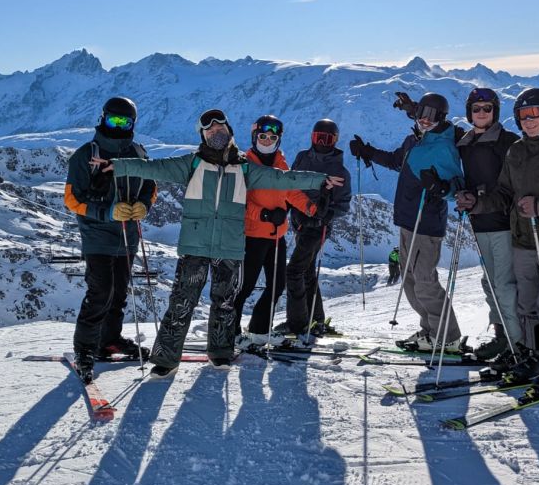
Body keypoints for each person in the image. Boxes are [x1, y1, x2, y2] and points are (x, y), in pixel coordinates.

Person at [100, 109, 344, 378]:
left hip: (229, 245)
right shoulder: (191, 164)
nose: (216, 132)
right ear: (202, 135)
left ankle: (220, 353)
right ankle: (166, 359)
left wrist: (319, 182)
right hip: (196, 244)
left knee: (225, 303)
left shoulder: (244, 168)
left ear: (230, 132)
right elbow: (153, 168)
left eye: (221, 128)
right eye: (210, 130)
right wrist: (119, 165)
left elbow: (282, 179)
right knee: (182, 301)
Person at [456, 88, 539, 396]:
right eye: (522, 116)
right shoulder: (517, 151)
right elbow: (505, 193)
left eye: (534, 114)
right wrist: (475, 204)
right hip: (523, 240)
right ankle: (537, 359)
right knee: (527, 307)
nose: (528, 121)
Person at [349, 92, 465, 351]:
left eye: (432, 116)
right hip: (408, 220)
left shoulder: (444, 147)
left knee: (425, 281)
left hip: (427, 224)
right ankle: (430, 332)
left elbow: (457, 188)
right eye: (422, 113)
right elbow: (394, 161)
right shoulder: (414, 141)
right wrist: (367, 151)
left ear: (442, 118)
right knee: (411, 281)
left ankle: (448, 337)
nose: (425, 119)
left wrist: (439, 187)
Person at [63, 97, 157, 383]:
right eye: (113, 120)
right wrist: (106, 213)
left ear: (133, 124)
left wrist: (144, 206)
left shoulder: (138, 154)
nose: (118, 126)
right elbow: (71, 199)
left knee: (118, 294)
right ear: (103, 118)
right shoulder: (85, 155)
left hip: (127, 237)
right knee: (100, 292)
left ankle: (109, 341)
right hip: (97, 236)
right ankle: (85, 350)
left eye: (124, 122)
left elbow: (150, 187)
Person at [232, 115, 319, 349]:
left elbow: (290, 190)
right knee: (245, 286)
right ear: (254, 136)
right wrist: (265, 215)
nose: (267, 140)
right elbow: (238, 201)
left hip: (275, 236)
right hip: (251, 235)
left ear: (279, 139)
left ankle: (260, 330)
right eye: (263, 136)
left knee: (276, 285)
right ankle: (230, 331)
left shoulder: (281, 163)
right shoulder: (244, 164)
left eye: (273, 137)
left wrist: (311, 208)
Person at [456, 88, 521, 361]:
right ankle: (502, 336)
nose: (481, 113)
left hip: (504, 222)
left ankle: (516, 345)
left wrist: (479, 198)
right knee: (490, 284)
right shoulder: (465, 143)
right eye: (476, 108)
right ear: (469, 112)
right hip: (479, 223)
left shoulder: (508, 142)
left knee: (504, 285)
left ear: (495, 111)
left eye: (487, 108)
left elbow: (511, 186)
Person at [280, 118, 352, 339]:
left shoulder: (339, 170)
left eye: (327, 139)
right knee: (307, 272)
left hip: (318, 227)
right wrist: (288, 209)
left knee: (293, 272)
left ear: (335, 141)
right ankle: (315, 319)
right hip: (300, 223)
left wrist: (325, 217)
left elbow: (343, 205)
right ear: (312, 137)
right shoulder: (302, 157)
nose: (321, 142)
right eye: (318, 137)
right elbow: (291, 185)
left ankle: (298, 324)